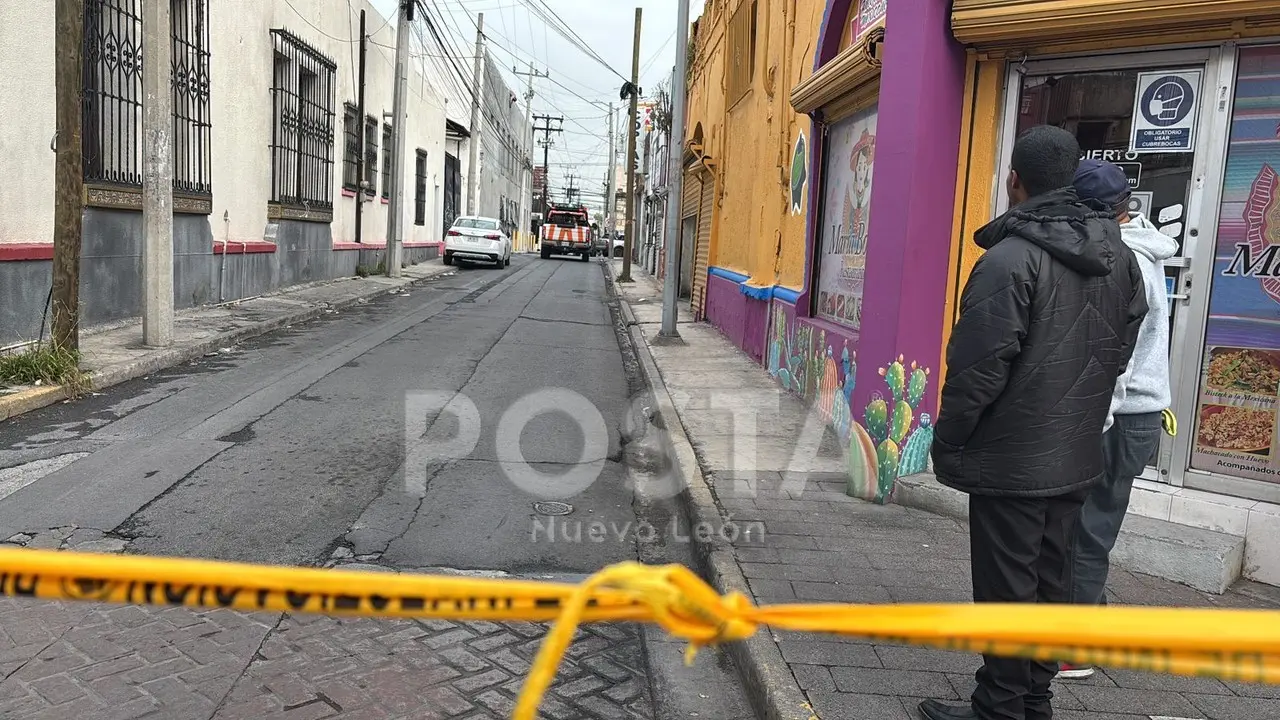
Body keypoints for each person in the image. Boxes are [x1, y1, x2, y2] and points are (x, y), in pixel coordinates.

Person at [921, 126, 1147, 720]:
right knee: (1052, 578)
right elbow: (1118, 352)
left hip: (1011, 456)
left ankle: (1000, 707)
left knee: (1006, 588)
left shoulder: (1008, 261)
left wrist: (949, 440)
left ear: (1014, 180)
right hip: (1075, 452)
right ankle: (1033, 700)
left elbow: (976, 369)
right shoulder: (1120, 257)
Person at [1057, 159, 1177, 680]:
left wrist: (1095, 419)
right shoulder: (1145, 248)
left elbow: (1117, 356)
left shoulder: (1124, 260)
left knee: (1087, 532)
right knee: (1093, 525)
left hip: (1121, 412)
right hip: (1139, 413)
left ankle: (1076, 651)